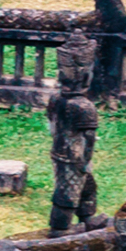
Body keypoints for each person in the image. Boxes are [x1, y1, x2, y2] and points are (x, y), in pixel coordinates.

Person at [47, 30, 99, 232]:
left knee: (88, 189)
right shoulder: (84, 107)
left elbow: (52, 125)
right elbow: (90, 140)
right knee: (67, 195)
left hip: (60, 151)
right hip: (75, 156)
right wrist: (85, 161)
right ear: (87, 76)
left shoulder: (55, 99)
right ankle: (59, 229)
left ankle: (87, 219)